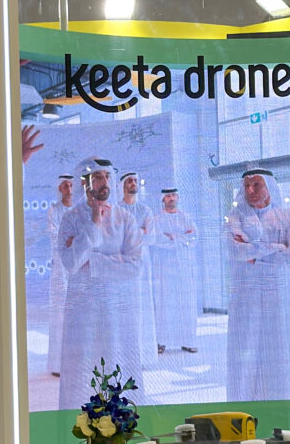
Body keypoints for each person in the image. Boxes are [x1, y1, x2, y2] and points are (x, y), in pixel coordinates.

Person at [54, 158, 147, 408]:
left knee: (118, 364)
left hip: (117, 310)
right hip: (82, 311)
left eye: (106, 176)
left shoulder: (125, 218)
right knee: (83, 368)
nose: (103, 182)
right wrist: (94, 223)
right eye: (97, 177)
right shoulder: (71, 219)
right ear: (85, 183)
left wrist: (92, 260)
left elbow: (135, 266)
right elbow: (71, 263)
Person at [224, 166, 290, 401]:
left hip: (280, 297)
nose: (250, 190)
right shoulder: (235, 218)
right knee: (246, 353)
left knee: (280, 351)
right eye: (246, 185)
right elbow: (236, 252)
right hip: (246, 298)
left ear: (269, 186)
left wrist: (255, 254)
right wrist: (278, 247)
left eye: (256, 184)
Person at [148, 185, 200, 353]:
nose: (171, 198)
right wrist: (181, 238)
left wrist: (173, 237)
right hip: (164, 269)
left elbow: (194, 237)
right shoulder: (157, 219)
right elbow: (158, 239)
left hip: (184, 269)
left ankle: (188, 341)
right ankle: (161, 341)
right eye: (168, 196)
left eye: (173, 195)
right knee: (164, 304)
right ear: (163, 199)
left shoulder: (186, 217)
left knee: (186, 304)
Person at [39, 171, 75, 390]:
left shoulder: (80, 209)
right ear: (59, 189)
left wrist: (72, 239)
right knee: (61, 313)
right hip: (60, 269)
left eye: (71, 185)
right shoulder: (54, 210)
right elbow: (56, 237)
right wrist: (70, 239)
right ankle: (59, 364)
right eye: (65, 186)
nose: (69, 189)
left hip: (77, 267)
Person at [118, 171, 158, 363]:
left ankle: (144, 357)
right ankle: (124, 356)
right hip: (122, 264)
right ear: (122, 186)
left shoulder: (145, 210)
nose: (133, 183)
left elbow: (151, 238)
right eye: (129, 181)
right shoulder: (116, 210)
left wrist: (130, 233)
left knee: (143, 307)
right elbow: (114, 237)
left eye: (135, 180)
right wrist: (139, 231)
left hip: (142, 265)